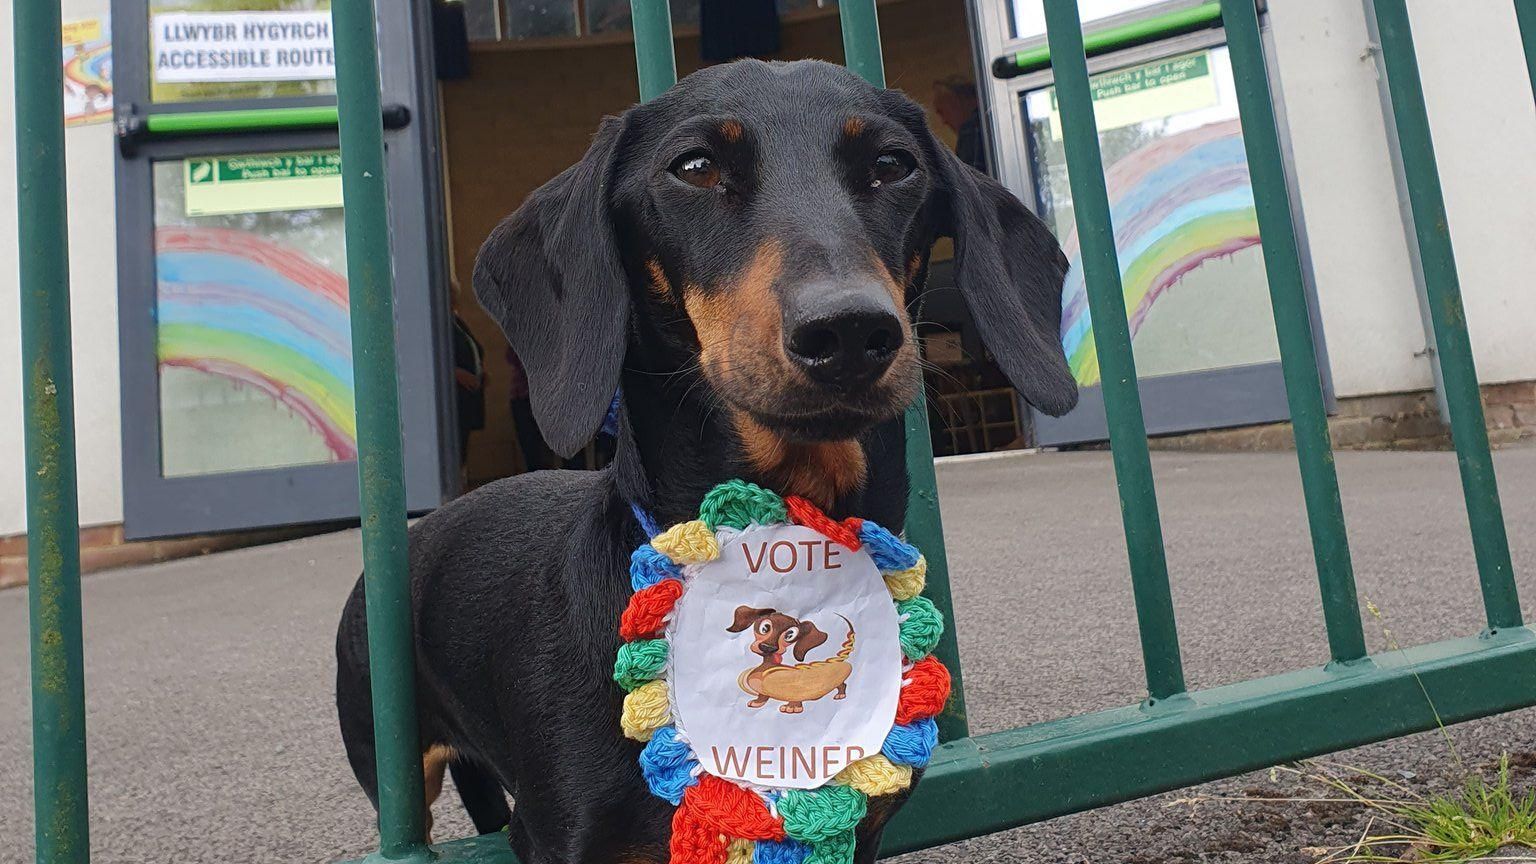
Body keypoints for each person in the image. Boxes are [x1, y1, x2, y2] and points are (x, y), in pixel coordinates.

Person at [933, 75, 989, 175]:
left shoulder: (971, 130)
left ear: (959, 102)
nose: (944, 121)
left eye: (943, 112)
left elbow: (971, 186)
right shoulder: (987, 122)